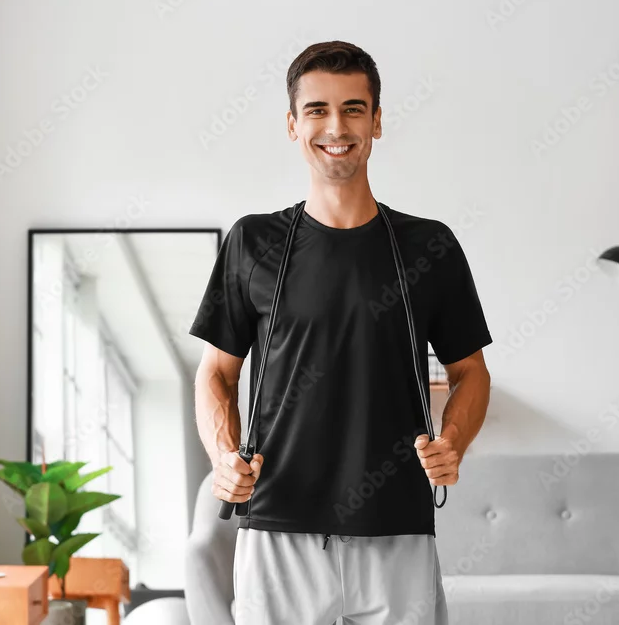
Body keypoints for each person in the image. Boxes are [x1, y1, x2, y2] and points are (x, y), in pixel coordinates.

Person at [188, 40, 493, 625]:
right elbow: (216, 374)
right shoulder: (252, 243)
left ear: (376, 121)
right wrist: (223, 455)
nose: (336, 127)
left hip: (397, 526)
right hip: (276, 526)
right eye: (317, 110)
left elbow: (470, 371)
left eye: (354, 109)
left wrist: (453, 441)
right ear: (293, 124)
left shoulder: (430, 247)